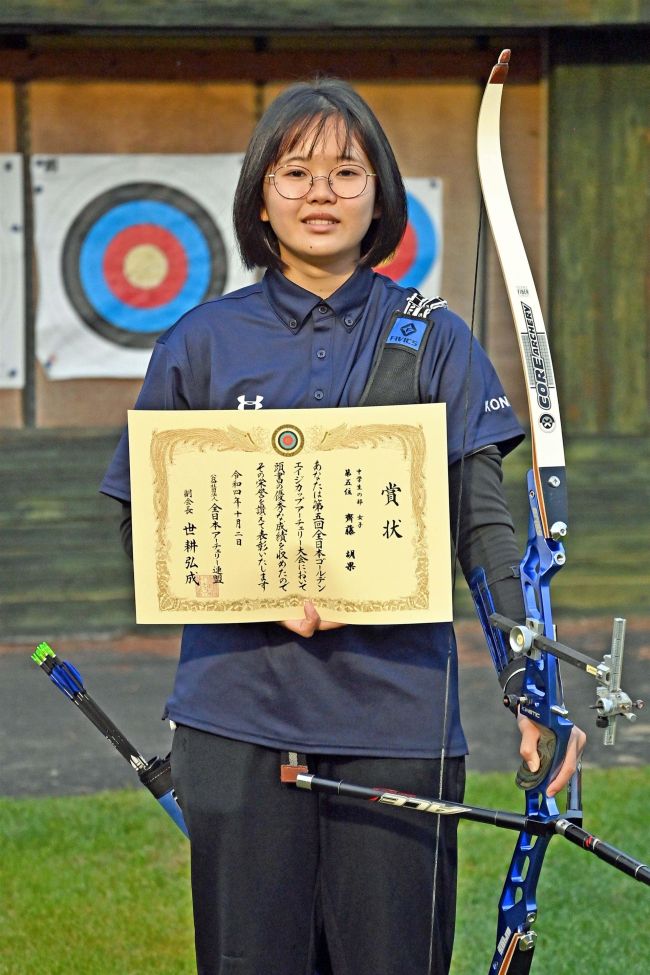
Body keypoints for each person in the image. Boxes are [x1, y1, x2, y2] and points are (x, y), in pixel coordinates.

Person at [101, 78, 585, 975]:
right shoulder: (200, 341)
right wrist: (256, 591)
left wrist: (533, 681)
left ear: (380, 193)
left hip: (398, 717)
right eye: (295, 172)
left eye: (345, 171)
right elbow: (148, 523)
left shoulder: (434, 336)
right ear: (260, 194)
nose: (320, 193)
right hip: (235, 716)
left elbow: (484, 526)